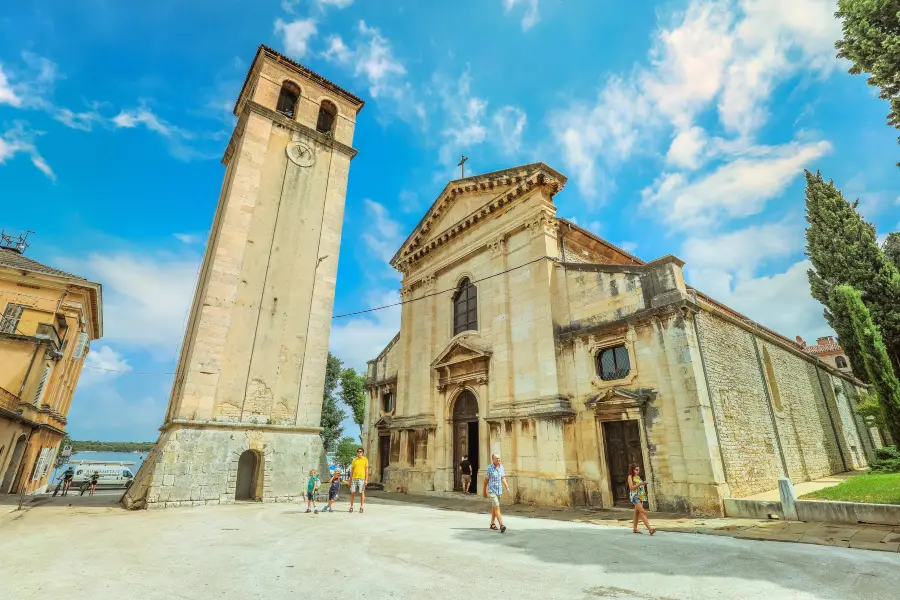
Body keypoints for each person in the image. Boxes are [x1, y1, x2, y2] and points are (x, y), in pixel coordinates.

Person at [483, 453, 511, 533]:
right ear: (493, 460)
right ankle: (501, 525)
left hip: (499, 491)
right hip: (492, 491)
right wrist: (484, 491)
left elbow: (503, 478)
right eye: (497, 458)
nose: (498, 460)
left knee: (494, 508)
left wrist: (507, 487)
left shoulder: (501, 467)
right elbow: (485, 481)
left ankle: (492, 524)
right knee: (497, 507)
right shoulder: (489, 468)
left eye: (499, 458)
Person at [627, 464, 655, 535]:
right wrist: (640, 484)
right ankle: (650, 529)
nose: (638, 471)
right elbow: (631, 487)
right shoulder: (630, 477)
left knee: (637, 513)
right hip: (635, 496)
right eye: (636, 470)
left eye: (638, 470)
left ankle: (635, 529)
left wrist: (643, 484)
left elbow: (639, 486)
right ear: (633, 470)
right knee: (643, 512)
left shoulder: (638, 477)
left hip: (640, 496)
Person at [348, 447, 368, 514]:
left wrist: (366, 480)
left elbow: (366, 471)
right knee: (352, 492)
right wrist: (350, 480)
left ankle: (361, 506)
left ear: (362, 452)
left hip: (361, 479)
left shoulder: (365, 460)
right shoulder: (354, 460)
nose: (359, 452)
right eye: (358, 451)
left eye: (360, 451)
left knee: (361, 492)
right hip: (354, 478)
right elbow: (352, 471)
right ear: (357, 452)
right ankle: (351, 506)